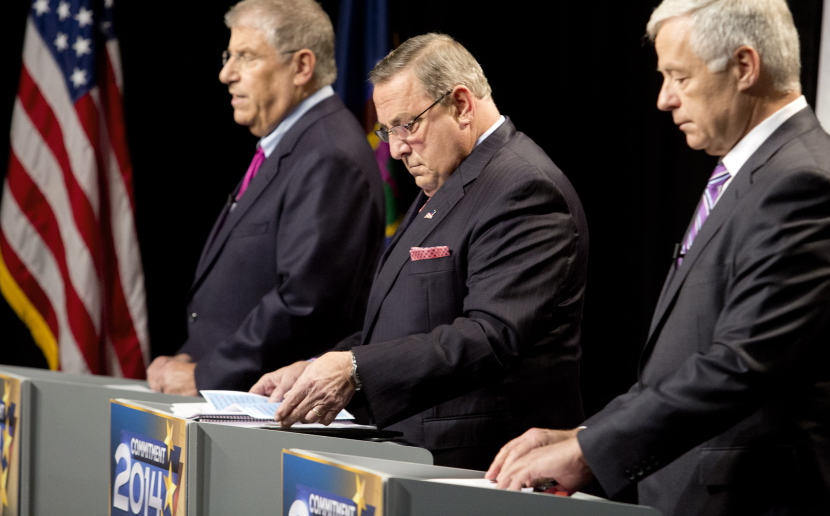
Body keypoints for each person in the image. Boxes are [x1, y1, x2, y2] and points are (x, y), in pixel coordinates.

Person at [488, 0, 830, 516]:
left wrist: (591, 453)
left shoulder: (804, 185)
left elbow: (740, 365)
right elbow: (688, 357)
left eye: (679, 76)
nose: (664, 99)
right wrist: (582, 435)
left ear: (745, 67)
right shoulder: (756, 175)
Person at [250, 33, 589, 470]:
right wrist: (316, 368)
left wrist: (354, 369)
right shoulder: (447, 177)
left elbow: (490, 335)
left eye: (407, 125)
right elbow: (406, 322)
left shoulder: (523, 188)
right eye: (387, 130)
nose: (395, 149)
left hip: (480, 464)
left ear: (462, 105)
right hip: (416, 453)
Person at [147, 0, 384, 394]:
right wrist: (194, 355)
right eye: (229, 57)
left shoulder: (328, 155)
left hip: (269, 411)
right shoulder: (292, 145)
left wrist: (207, 374)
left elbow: (305, 303)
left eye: (247, 57)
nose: (227, 74)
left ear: (301, 66)